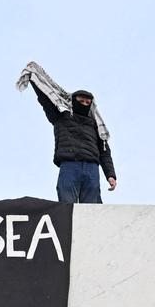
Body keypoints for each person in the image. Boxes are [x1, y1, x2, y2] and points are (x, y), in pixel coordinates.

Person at [18, 63, 117, 203]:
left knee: (92, 208)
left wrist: (110, 174)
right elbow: (46, 99)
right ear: (73, 101)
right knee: (66, 205)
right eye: (81, 101)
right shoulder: (61, 117)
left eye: (87, 102)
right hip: (70, 164)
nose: (84, 103)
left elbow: (105, 151)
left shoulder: (96, 125)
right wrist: (34, 79)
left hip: (91, 168)